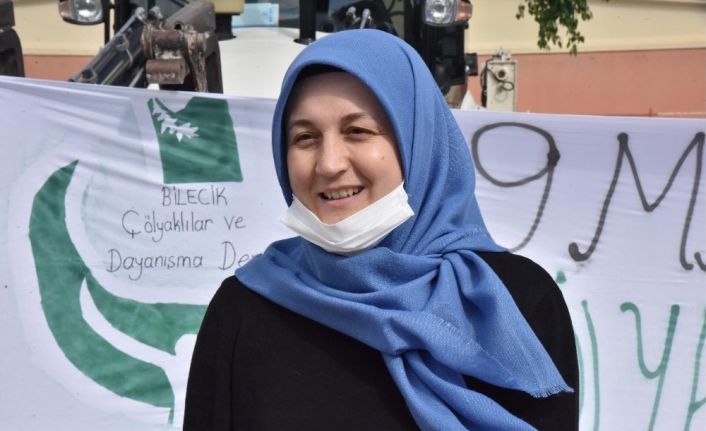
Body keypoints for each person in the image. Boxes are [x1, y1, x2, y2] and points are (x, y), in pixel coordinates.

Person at [183, 29, 578, 431]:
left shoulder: (506, 304)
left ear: (417, 142)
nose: (329, 164)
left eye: (358, 131)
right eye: (305, 137)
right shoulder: (245, 311)